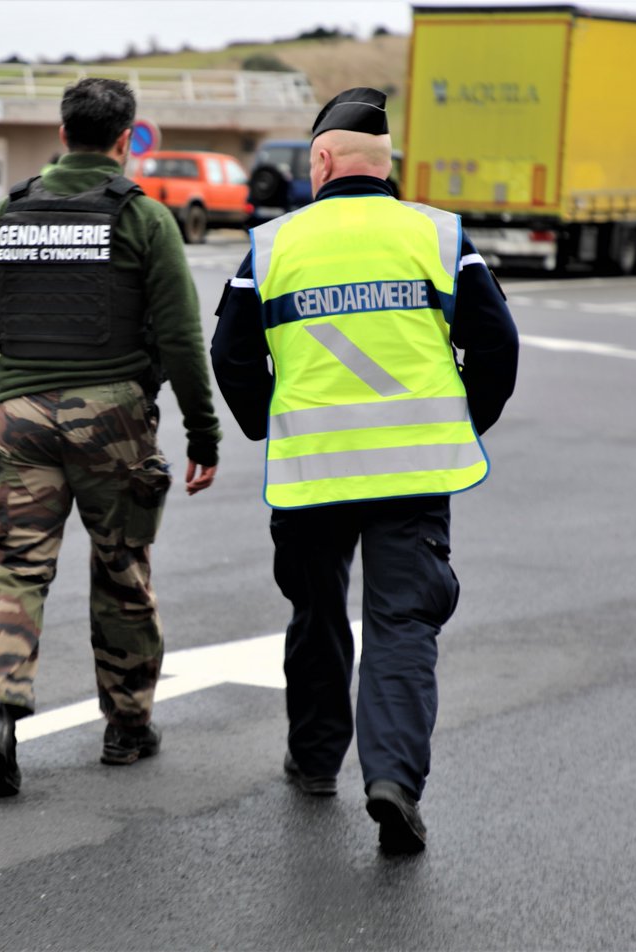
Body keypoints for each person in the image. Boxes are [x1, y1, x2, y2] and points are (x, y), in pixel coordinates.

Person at [210, 88, 518, 853]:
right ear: (385, 164)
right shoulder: (438, 235)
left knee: (317, 611)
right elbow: (496, 343)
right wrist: (462, 421)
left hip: (312, 473)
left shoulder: (274, 246)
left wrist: (267, 424)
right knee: (402, 622)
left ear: (322, 159)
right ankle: (393, 781)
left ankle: (317, 762)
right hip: (414, 472)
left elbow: (232, 355)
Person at [0, 78, 221, 797]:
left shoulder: (10, 213)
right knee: (122, 567)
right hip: (114, 421)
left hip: (19, 418)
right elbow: (182, 338)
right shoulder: (144, 218)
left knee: (16, 569)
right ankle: (127, 728)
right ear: (126, 140)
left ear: (63, 134)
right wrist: (203, 433)